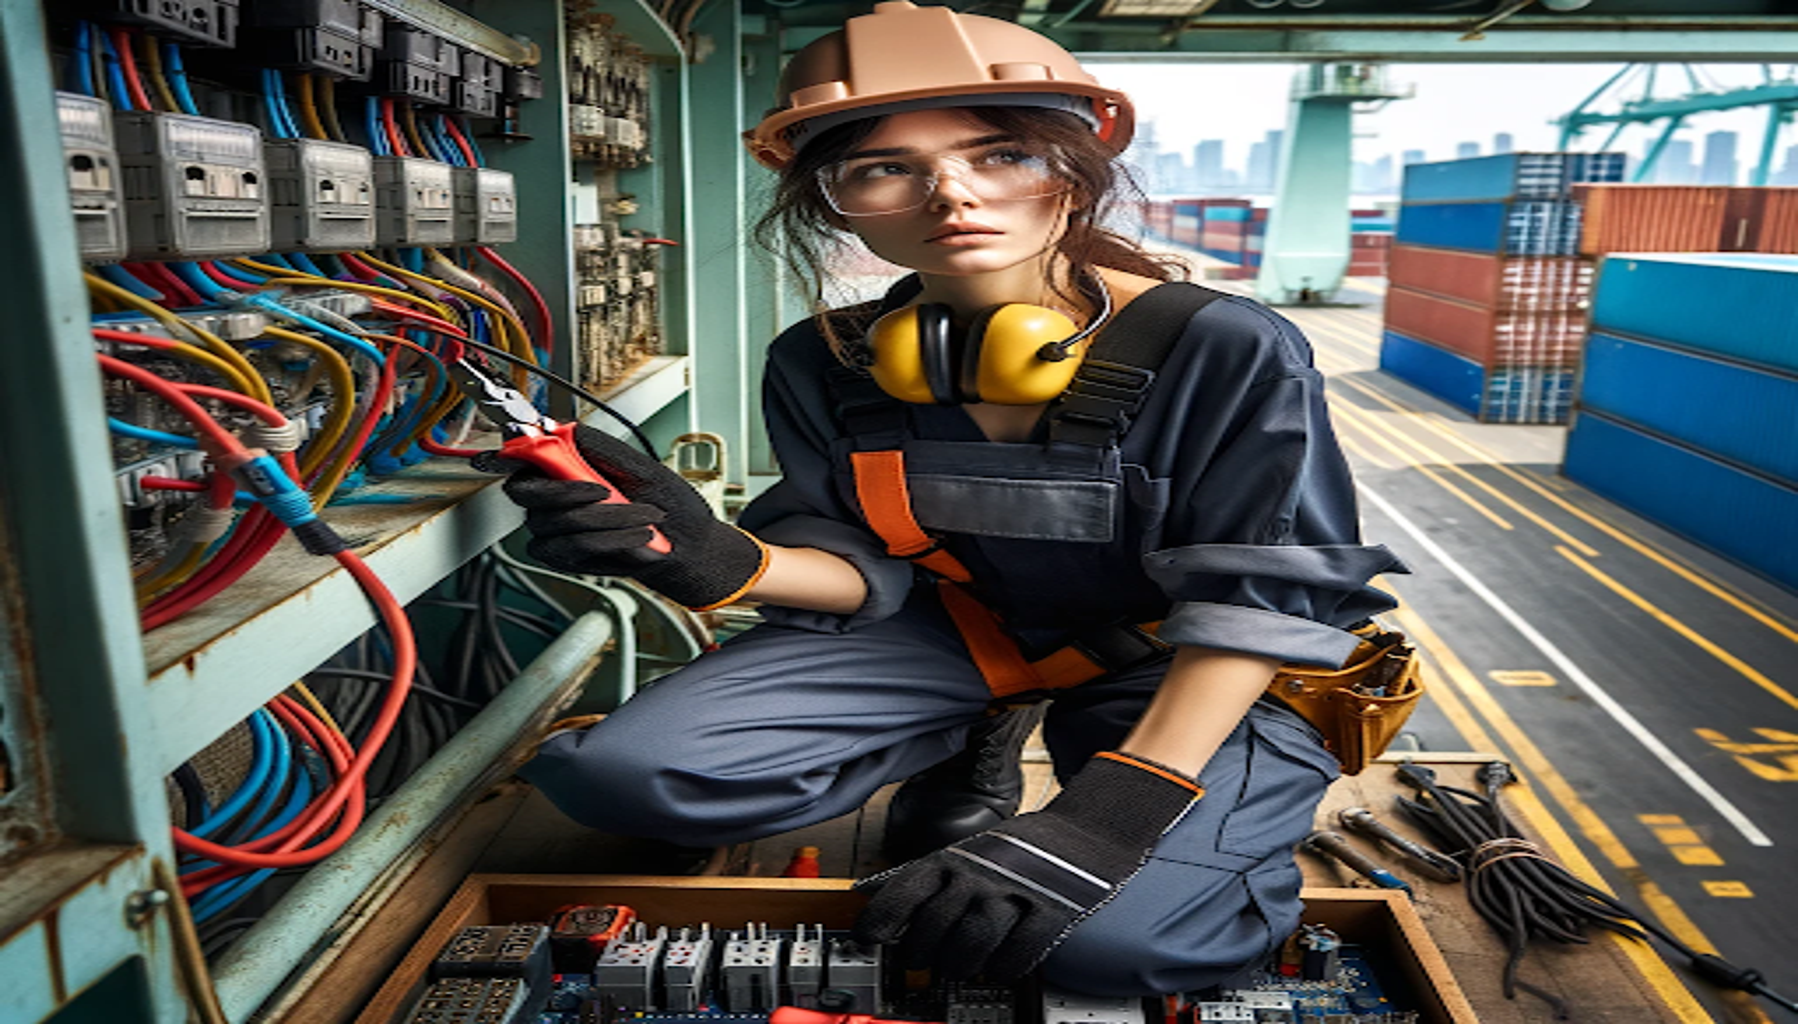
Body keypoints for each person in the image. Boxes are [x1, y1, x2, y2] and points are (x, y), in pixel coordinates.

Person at [497, 0, 1407, 996]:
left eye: (1000, 154)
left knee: (1114, 947)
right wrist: (722, 558)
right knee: (618, 778)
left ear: (1073, 169)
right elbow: (861, 555)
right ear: (835, 199)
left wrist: (1108, 815)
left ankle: (1116, 789)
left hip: (1178, 664)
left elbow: (1259, 601)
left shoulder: (1221, 348)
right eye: (885, 167)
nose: (952, 196)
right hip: (956, 635)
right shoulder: (825, 362)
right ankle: (979, 732)